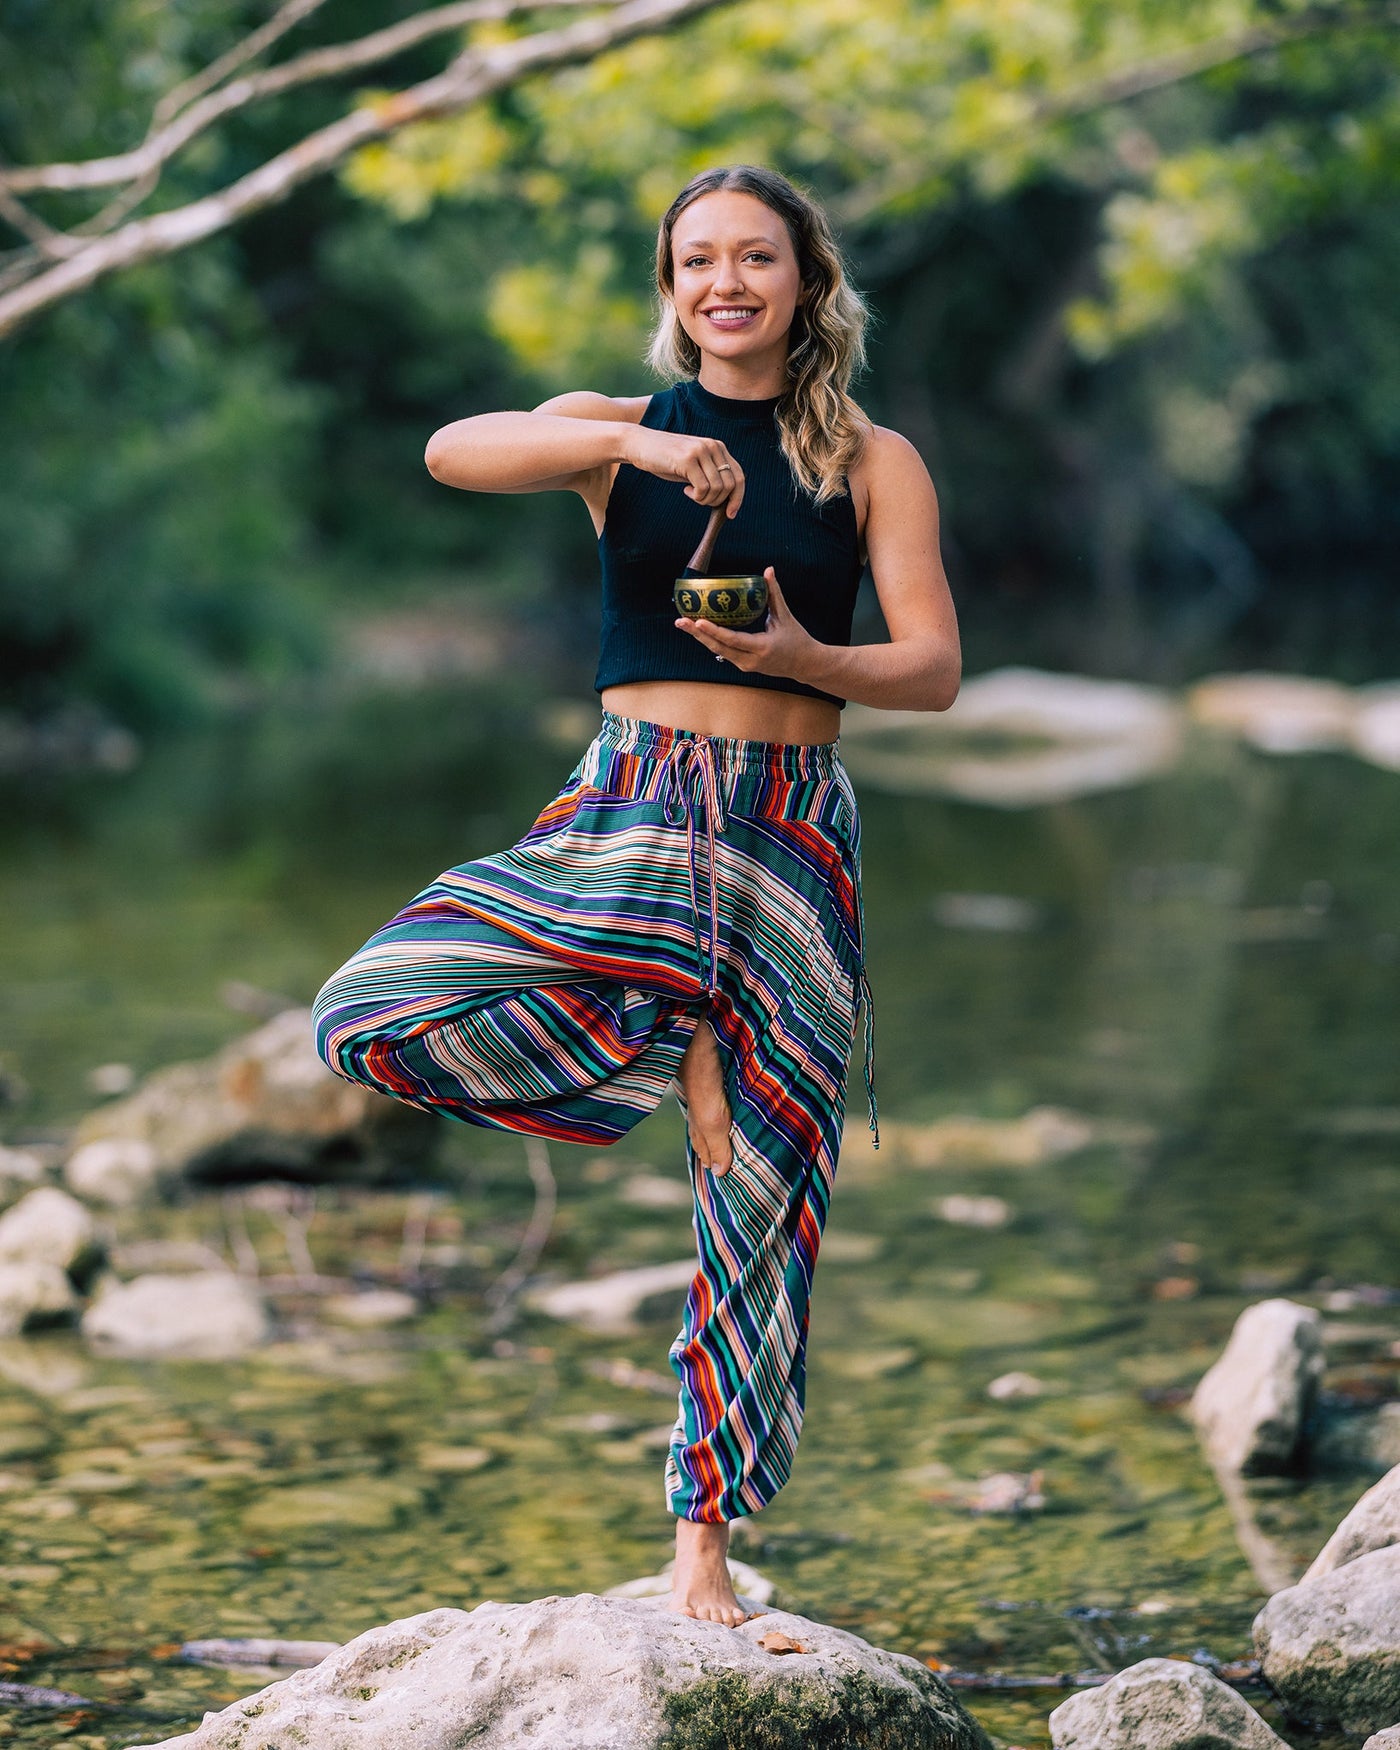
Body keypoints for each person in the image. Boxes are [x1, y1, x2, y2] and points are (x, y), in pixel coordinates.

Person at [313, 164, 959, 1629]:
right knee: (366, 1010)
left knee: (762, 1198)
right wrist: (647, 456)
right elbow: (450, 448)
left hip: (791, 836)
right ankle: (677, 1025)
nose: (726, 282)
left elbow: (931, 667)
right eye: (697, 262)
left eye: (756, 258)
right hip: (635, 806)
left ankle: (702, 1538)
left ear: (808, 280)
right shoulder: (624, 432)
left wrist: (806, 656)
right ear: (672, 289)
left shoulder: (874, 457)